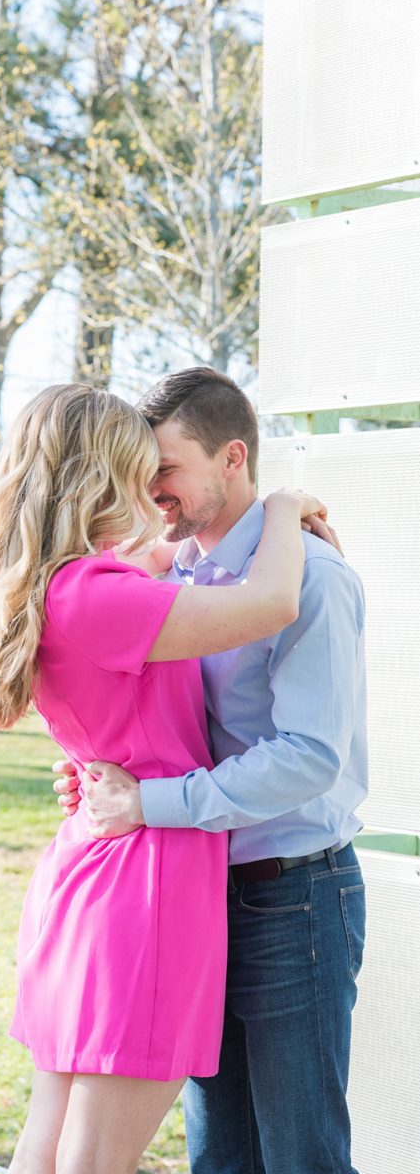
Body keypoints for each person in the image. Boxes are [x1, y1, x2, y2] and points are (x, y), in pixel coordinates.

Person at [0, 382, 329, 1174]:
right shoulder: (100, 597)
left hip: (89, 873)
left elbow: (164, 563)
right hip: (147, 885)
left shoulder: (58, 586)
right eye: (138, 470)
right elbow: (272, 600)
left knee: (46, 1149)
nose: (152, 492)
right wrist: (283, 508)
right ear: (101, 476)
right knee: (91, 1161)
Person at [53, 367, 367, 1174]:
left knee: (300, 1157)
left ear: (232, 458)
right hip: (198, 893)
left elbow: (308, 757)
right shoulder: (172, 576)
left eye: (165, 468)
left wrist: (148, 803)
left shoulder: (312, 578)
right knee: (219, 1156)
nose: (147, 488)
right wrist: (100, 779)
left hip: (289, 896)